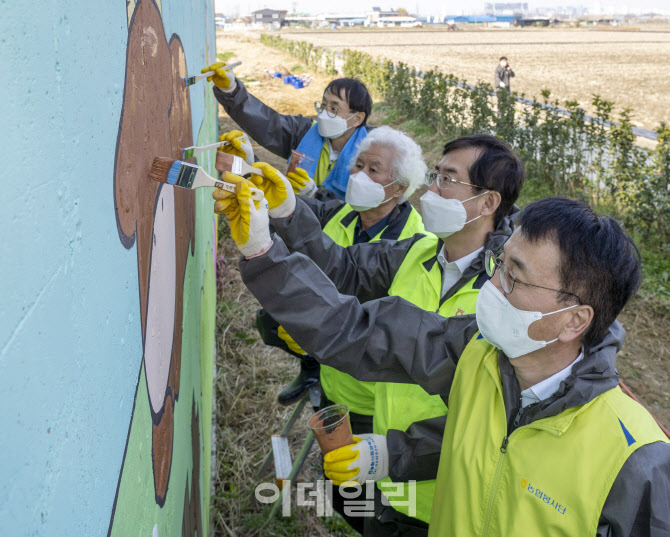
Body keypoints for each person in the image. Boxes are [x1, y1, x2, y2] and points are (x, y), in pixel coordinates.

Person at [223, 190, 670, 536]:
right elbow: (356, 330)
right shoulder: (476, 355)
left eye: (515, 276)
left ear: (573, 320)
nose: (493, 285)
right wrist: (264, 253)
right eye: (499, 264)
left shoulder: (635, 457)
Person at [216, 135, 525, 535]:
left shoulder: (506, 297)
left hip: (443, 499)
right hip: (383, 462)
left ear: (488, 203)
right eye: (434, 175)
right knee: (361, 515)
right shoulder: (419, 251)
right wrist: (286, 211)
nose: (430, 189)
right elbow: (342, 268)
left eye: (448, 179)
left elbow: (492, 419)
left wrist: (392, 454)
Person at [252, 126, 428, 421]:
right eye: (358, 166)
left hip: (367, 393)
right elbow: (296, 219)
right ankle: (311, 371)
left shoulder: (411, 245)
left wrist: (312, 328)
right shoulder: (344, 212)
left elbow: (383, 324)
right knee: (269, 321)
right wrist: (248, 169)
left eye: (374, 169)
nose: (360, 175)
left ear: (399, 187)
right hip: (331, 369)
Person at [202, 60, 373, 198]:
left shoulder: (372, 152)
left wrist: (316, 195)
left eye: (334, 109)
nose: (323, 114)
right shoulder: (305, 132)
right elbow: (267, 124)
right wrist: (231, 91)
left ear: (357, 118)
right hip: (297, 226)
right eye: (323, 104)